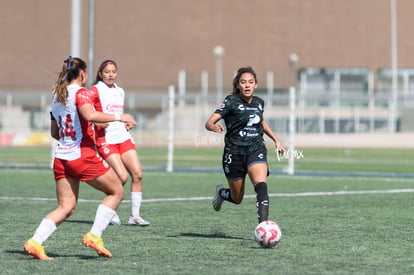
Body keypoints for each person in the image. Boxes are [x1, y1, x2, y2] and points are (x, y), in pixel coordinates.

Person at [23, 56, 136, 260]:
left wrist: (84, 127)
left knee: (66, 207)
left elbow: (55, 133)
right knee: (117, 191)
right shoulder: (81, 92)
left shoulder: (57, 95)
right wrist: (121, 117)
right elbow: (89, 115)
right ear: (82, 74)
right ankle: (94, 235)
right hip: (80, 155)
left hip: (61, 157)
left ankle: (35, 241)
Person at [205, 66, 285, 224]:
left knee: (261, 185)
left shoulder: (259, 103)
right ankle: (221, 193)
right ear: (238, 85)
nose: (247, 85)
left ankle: (263, 225)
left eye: (250, 82)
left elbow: (261, 121)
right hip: (234, 154)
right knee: (237, 198)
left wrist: (276, 140)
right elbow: (209, 122)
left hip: (255, 149)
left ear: (256, 84)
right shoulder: (231, 101)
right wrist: (212, 126)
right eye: (243, 82)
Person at [89, 60, 150, 226]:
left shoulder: (120, 91)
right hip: (106, 139)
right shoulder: (94, 90)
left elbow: (118, 113)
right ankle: (110, 210)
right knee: (121, 176)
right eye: (107, 72)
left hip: (123, 137)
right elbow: (87, 113)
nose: (111, 75)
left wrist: (126, 122)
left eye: (113, 72)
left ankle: (135, 216)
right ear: (100, 74)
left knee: (137, 174)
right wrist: (97, 123)